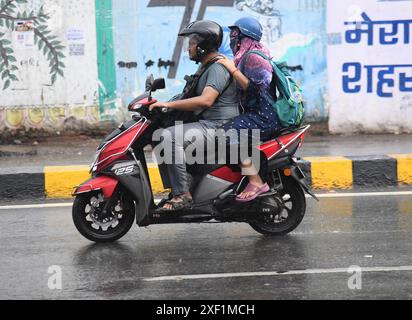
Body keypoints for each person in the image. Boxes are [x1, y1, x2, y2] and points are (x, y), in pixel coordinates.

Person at [150, 20, 240, 211]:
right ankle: (179, 187)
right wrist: (161, 104)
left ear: (203, 45)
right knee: (158, 134)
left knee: (169, 137)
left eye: (191, 44)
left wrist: (168, 104)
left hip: (220, 126)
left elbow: (205, 100)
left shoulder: (217, 68)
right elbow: (189, 94)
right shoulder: (206, 66)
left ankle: (182, 195)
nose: (187, 49)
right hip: (209, 124)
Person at [217, 17, 282, 202]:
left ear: (245, 37)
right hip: (255, 114)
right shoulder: (245, 55)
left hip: (264, 117)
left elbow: (256, 88)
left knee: (226, 134)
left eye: (236, 34)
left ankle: (256, 181)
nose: (232, 38)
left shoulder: (253, 56)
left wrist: (232, 70)